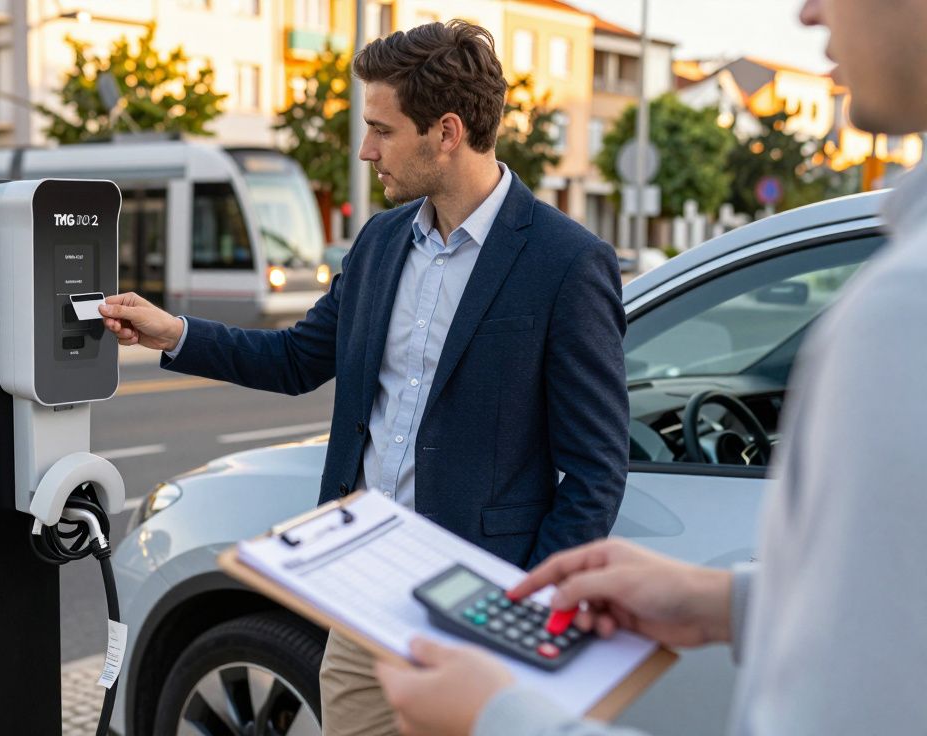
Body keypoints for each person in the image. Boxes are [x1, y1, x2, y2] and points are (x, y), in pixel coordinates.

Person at [374, 0, 927, 734]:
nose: (807, 10)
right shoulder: (385, 242)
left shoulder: (902, 313)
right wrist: (726, 603)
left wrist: (499, 717)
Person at [99, 20, 629, 735]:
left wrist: (521, 605)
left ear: (446, 131)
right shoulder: (381, 242)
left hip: (477, 604)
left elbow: (595, 468)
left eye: (382, 129)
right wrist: (176, 332)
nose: (365, 149)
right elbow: (295, 361)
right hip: (362, 595)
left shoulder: (567, 263)